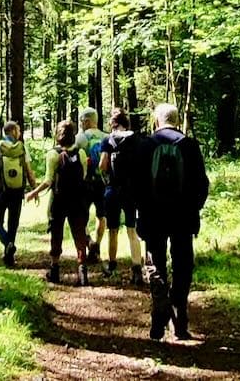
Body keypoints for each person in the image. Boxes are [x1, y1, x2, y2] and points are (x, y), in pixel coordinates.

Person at [135, 103, 209, 341]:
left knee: (155, 261)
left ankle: (159, 310)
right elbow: (202, 184)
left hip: (152, 215)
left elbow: (134, 184)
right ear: (177, 121)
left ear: (156, 121)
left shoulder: (145, 145)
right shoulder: (189, 146)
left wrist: (140, 209)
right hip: (183, 216)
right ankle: (180, 318)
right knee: (183, 264)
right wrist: (194, 207)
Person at [26, 120, 90, 286]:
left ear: (57, 135)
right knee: (79, 233)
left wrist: (34, 192)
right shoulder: (81, 153)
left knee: (56, 233)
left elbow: (48, 180)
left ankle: (54, 269)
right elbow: (83, 176)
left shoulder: (53, 154)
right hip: (78, 200)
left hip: (59, 200)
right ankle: (83, 271)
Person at [0, 120, 37, 267]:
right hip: (18, 193)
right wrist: (34, 190)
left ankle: (7, 244)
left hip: (2, 192)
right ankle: (9, 256)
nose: (20, 133)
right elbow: (29, 172)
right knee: (13, 224)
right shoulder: (22, 148)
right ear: (13, 132)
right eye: (19, 130)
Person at [99, 109, 144, 285]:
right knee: (132, 230)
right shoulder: (136, 140)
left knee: (113, 229)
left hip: (112, 189)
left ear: (113, 124)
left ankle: (111, 266)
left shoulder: (108, 140)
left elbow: (103, 165)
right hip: (131, 190)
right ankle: (136, 268)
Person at [74, 107, 108, 264]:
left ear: (86, 121)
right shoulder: (106, 137)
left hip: (85, 183)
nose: (81, 123)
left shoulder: (81, 138)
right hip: (102, 183)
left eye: (81, 120)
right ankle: (97, 246)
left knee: (81, 216)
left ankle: (89, 242)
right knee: (102, 216)